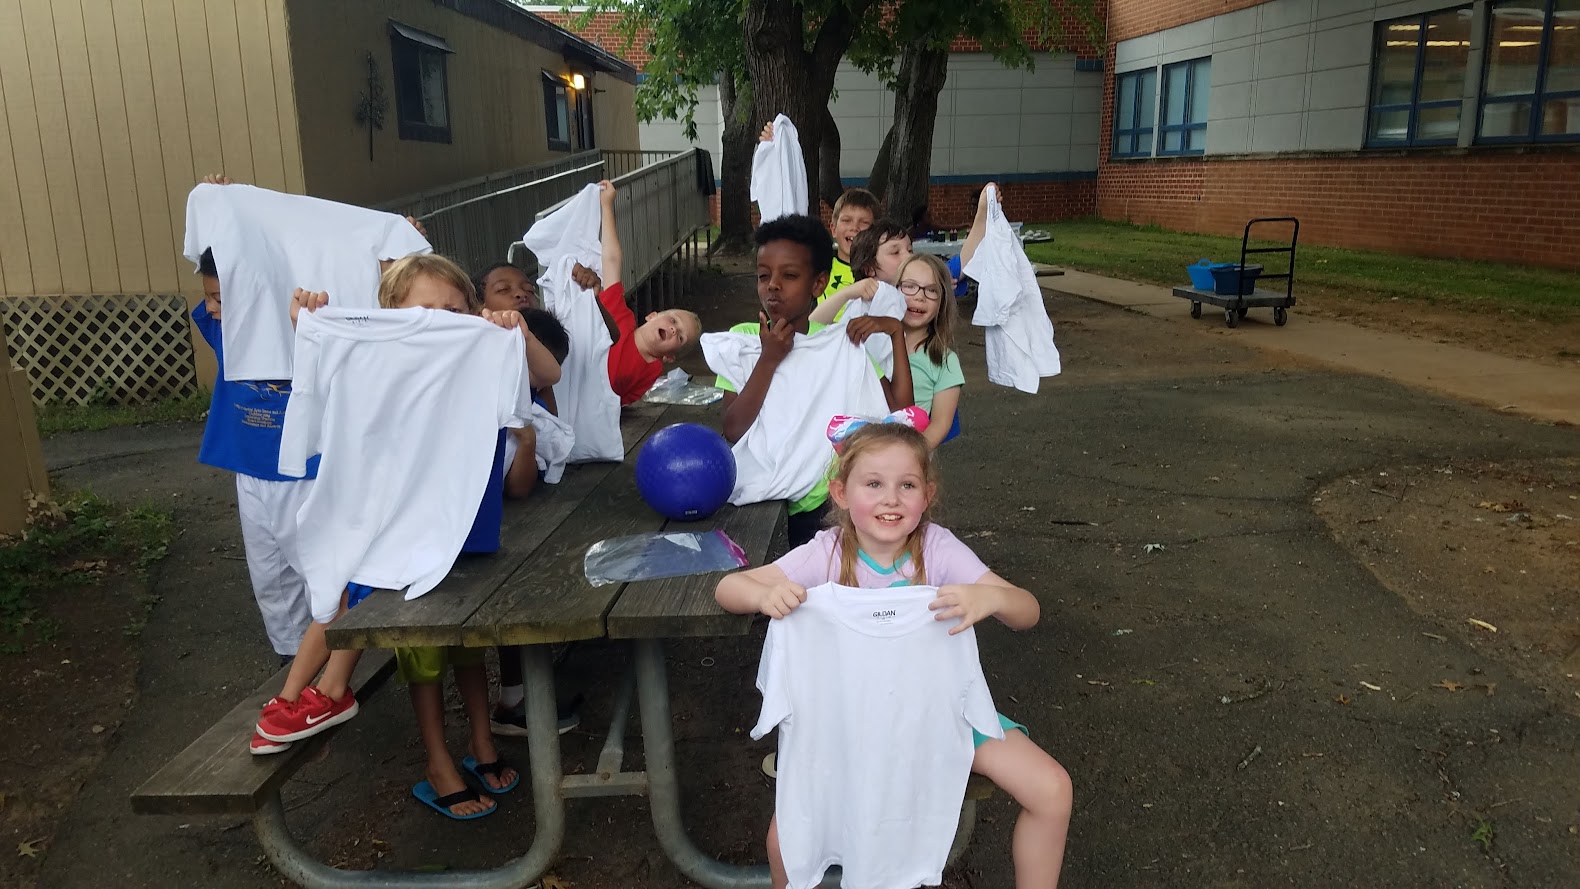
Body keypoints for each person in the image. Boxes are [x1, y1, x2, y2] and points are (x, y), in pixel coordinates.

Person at [715, 421, 1072, 889]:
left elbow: (1028, 610)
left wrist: (992, 598)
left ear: (928, 494)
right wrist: (764, 596)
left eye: (907, 485)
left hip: (940, 714)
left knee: (1052, 790)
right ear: (840, 493)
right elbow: (729, 587)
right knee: (785, 843)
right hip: (847, 726)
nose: (891, 499)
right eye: (873, 484)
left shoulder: (937, 549)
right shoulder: (827, 553)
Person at [252, 255, 561, 759]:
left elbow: (549, 372)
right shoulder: (379, 358)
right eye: (423, 311)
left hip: (459, 523)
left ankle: (328, 691)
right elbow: (327, 370)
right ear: (391, 316)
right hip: (401, 515)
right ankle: (298, 696)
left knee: (359, 581)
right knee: (345, 579)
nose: (439, 321)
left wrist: (518, 333)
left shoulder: (481, 351)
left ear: (473, 312)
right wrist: (308, 325)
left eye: (453, 310)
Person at [716, 214, 913, 546]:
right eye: (763, 275)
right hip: (761, 499)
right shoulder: (743, 342)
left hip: (829, 504)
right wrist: (769, 358)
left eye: (789, 275)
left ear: (819, 284)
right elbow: (734, 429)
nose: (773, 285)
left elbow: (901, 416)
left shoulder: (842, 344)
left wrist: (895, 333)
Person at [568, 180, 702, 404]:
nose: (673, 329)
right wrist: (607, 205)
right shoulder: (619, 314)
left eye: (680, 336)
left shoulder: (650, 373)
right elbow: (612, 260)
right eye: (673, 320)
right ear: (652, 315)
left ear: (669, 357)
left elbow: (620, 403)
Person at [815, 253, 962, 449]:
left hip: (907, 457)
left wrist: (907, 458)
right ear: (893, 290)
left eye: (932, 290)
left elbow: (940, 425)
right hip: (853, 452)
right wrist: (847, 293)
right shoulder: (869, 337)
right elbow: (812, 328)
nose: (919, 296)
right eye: (909, 286)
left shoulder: (945, 360)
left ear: (943, 301)